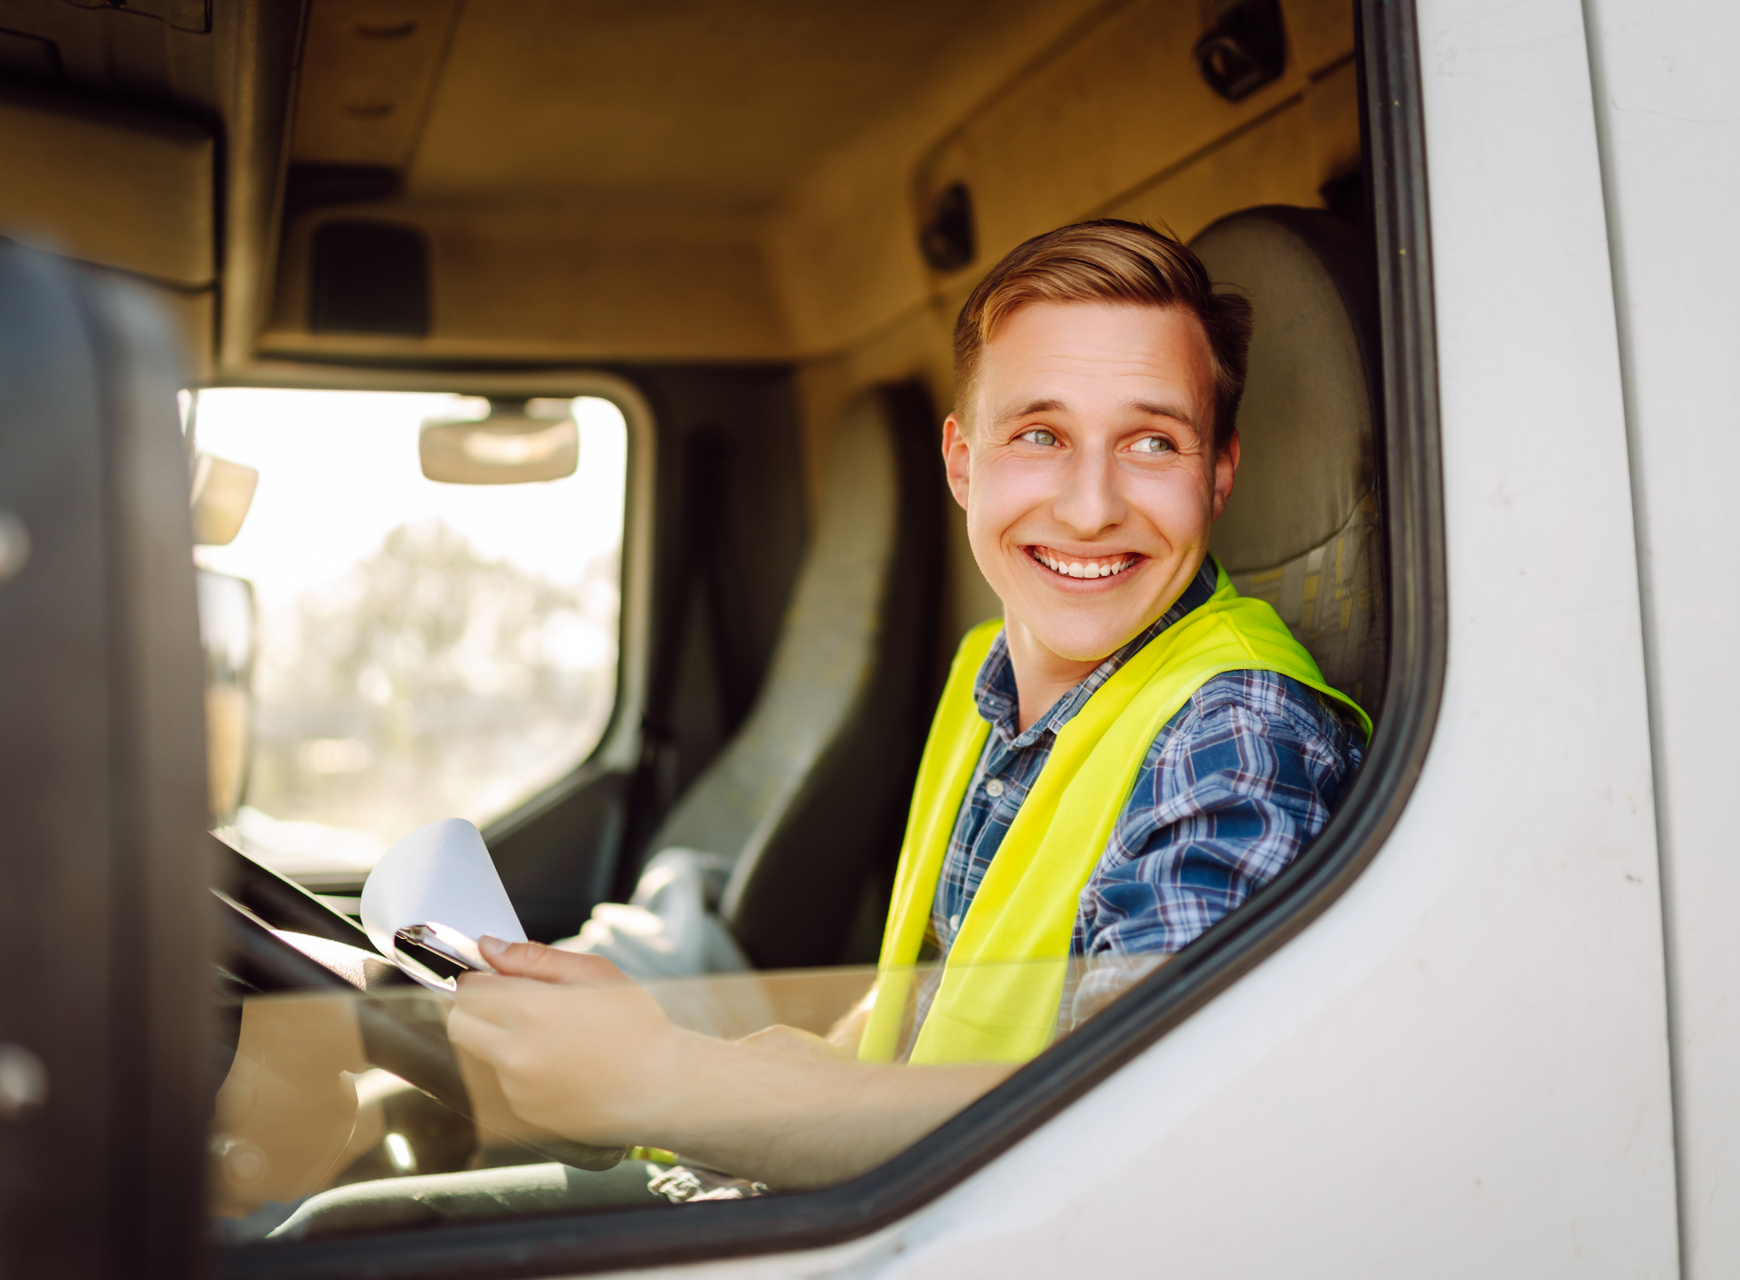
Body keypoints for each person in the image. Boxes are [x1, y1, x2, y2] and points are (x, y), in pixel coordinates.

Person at [270, 219, 1368, 1234]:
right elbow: (916, 1025)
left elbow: (1158, 1121)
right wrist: (653, 1054)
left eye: (1153, 444)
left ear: (1218, 474)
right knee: (341, 1227)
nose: (1089, 505)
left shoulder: (1236, 731)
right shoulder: (993, 675)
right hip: (901, 1204)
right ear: (961, 463)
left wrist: (667, 1082)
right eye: (1040, 434)